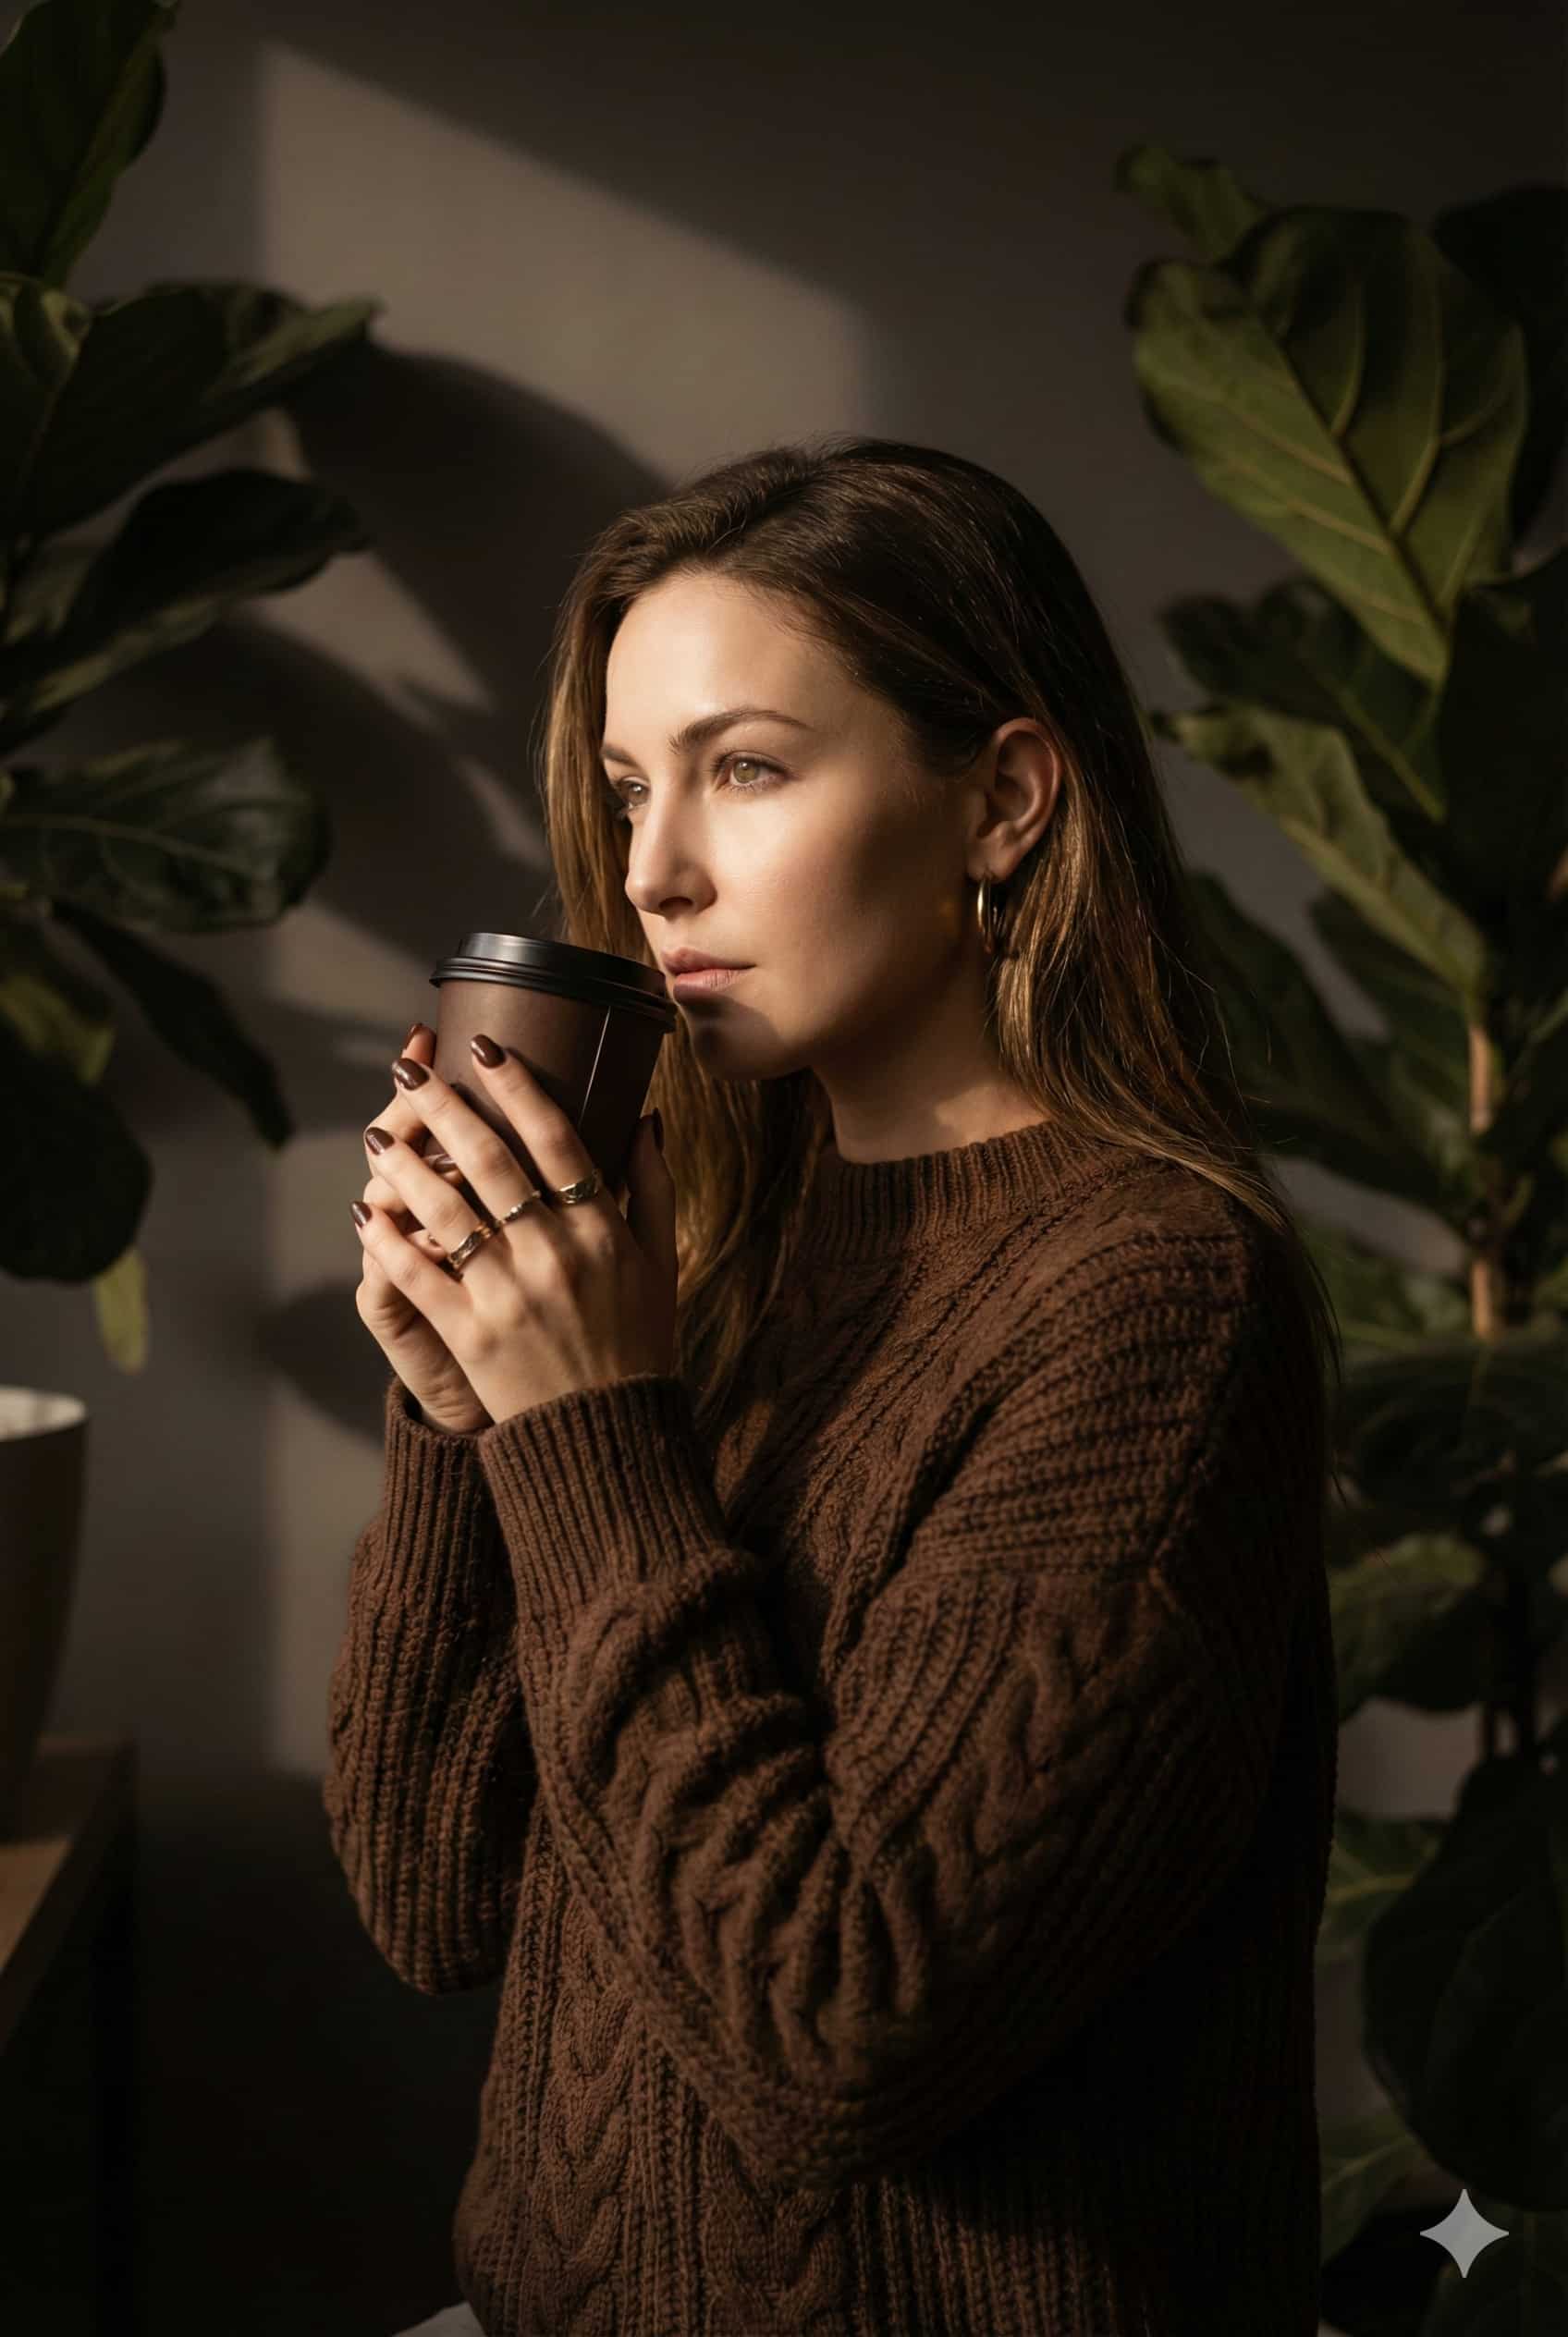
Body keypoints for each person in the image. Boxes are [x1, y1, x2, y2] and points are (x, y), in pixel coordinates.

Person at [326, 434, 1343, 2337]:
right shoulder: (703, 1257)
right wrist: (466, 1411)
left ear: (1002, 800)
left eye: (750, 768)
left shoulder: (1156, 1306)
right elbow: (430, 1895)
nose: (651, 870)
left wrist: (580, 1427)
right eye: (630, 785)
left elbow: (837, 2039)